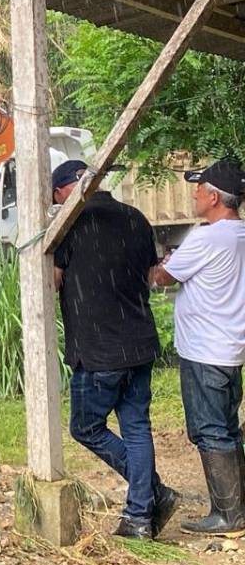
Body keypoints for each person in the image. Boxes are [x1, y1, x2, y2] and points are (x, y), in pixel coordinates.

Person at [52, 159, 177, 539]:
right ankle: (139, 518)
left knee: (86, 427)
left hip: (98, 350)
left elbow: (53, 281)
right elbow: (149, 275)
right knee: (136, 428)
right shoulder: (135, 217)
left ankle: (152, 491)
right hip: (138, 342)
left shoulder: (69, 224)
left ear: (62, 191)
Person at [151, 157, 245, 537]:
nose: (194, 194)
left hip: (205, 350)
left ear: (214, 197)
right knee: (227, 428)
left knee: (209, 430)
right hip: (231, 346)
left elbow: (161, 277)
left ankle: (228, 515)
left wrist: (161, 265)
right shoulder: (240, 235)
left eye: (199, 188)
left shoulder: (207, 237)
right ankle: (237, 507)